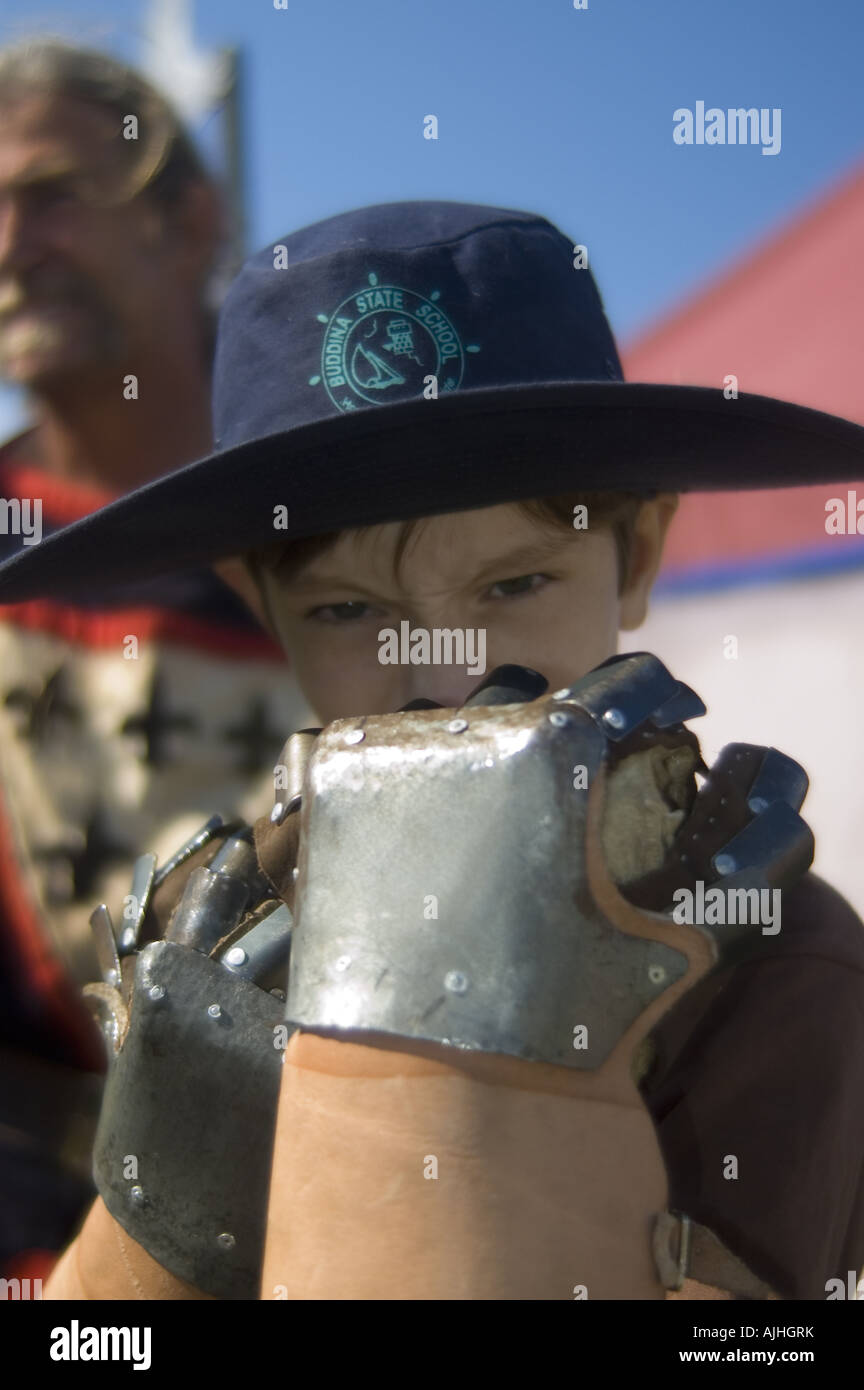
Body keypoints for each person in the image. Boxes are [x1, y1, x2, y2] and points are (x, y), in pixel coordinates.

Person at [2, 199, 863, 1300]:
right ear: (259, 605)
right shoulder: (230, 938)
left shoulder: (762, 952)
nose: (444, 673)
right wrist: (164, 1223)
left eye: (513, 584)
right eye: (349, 609)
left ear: (637, 548)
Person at [0, 38, 311, 1284]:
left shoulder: (344, 543)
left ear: (190, 219)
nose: (11, 240)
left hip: (319, 1191)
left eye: (53, 195)